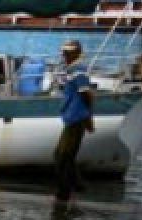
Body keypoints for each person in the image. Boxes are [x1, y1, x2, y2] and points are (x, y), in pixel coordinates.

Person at [54, 40, 95, 205]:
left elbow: (87, 95)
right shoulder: (71, 69)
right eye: (64, 52)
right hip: (71, 117)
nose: (64, 55)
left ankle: (64, 194)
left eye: (68, 52)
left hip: (76, 118)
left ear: (76, 53)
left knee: (62, 156)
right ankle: (76, 186)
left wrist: (88, 118)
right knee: (65, 155)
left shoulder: (78, 70)